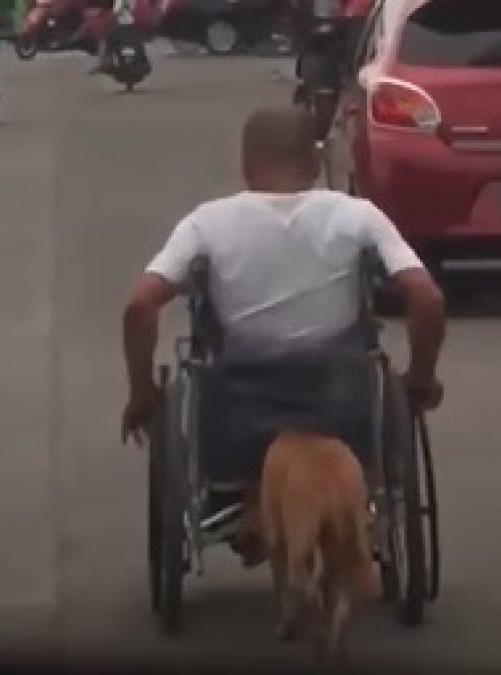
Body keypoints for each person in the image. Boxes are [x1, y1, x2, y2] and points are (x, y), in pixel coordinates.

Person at [120, 107, 446, 540]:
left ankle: (242, 504)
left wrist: (143, 394)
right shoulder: (356, 216)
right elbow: (426, 297)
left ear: (245, 163)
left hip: (237, 409)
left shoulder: (208, 223)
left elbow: (141, 307)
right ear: (314, 163)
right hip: (341, 400)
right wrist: (420, 379)